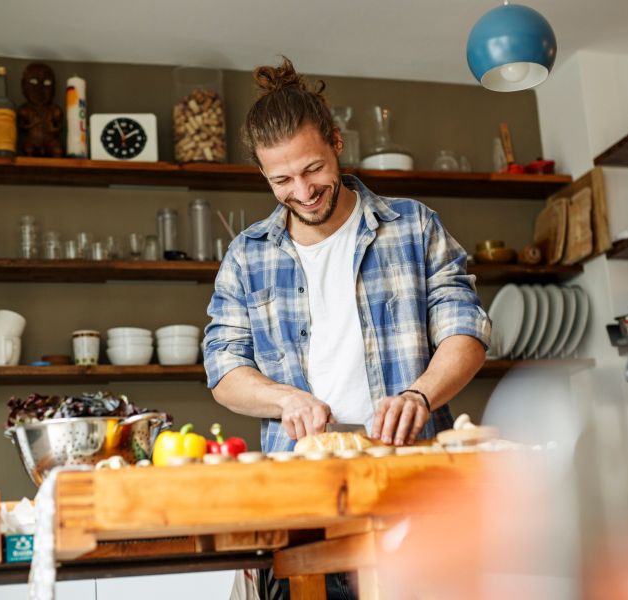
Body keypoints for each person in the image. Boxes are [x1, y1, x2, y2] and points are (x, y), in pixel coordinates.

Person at [203, 56, 490, 453]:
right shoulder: (246, 257)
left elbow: (466, 330)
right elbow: (224, 369)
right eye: (282, 180)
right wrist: (284, 398)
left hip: (409, 459)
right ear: (263, 174)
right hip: (300, 474)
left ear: (336, 142)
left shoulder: (413, 225)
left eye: (314, 169)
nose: (303, 192)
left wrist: (419, 395)